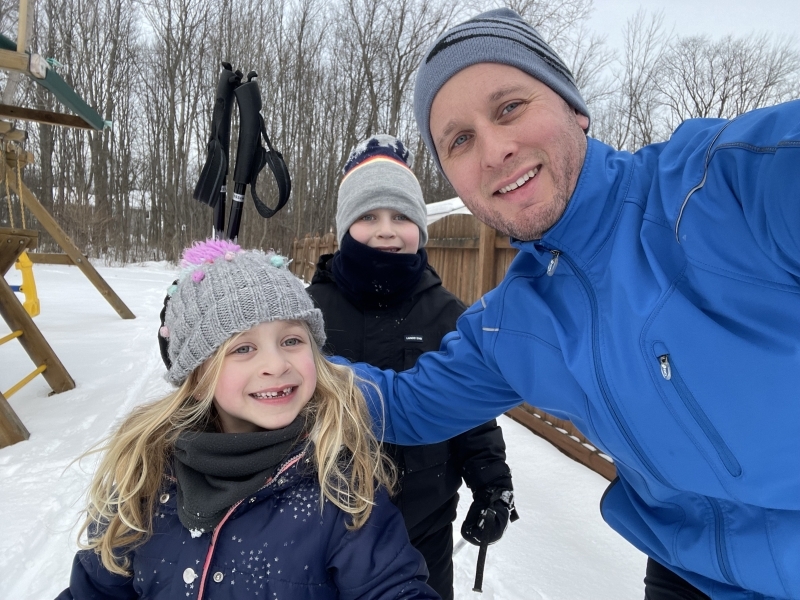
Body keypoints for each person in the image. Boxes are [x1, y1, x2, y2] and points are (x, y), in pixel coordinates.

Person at [338, 8, 800, 600]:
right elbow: (401, 405)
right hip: (690, 579)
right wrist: (256, 352)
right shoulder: (511, 324)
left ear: (574, 107)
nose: (495, 149)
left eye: (509, 107)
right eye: (459, 140)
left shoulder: (721, 188)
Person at [57, 239, 438, 600]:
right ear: (196, 375)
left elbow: (391, 585)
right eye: (243, 347)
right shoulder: (144, 475)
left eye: (291, 340)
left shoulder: (341, 489)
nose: (275, 365)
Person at [305, 134, 517, 600]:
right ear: (344, 228)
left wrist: (492, 484)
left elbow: (472, 409)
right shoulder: (307, 311)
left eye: (401, 216)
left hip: (422, 530)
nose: (386, 230)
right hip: (316, 526)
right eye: (368, 217)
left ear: (420, 227)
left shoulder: (448, 314)